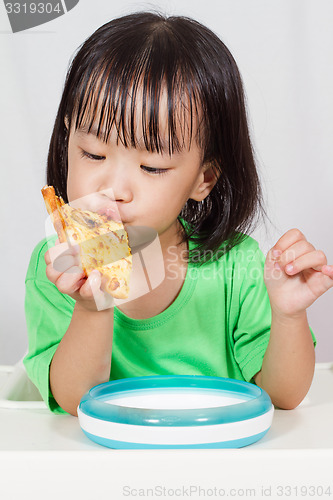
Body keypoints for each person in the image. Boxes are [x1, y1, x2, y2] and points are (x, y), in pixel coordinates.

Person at [24, 12, 333, 417]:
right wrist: (91, 307)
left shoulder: (235, 264)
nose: (113, 188)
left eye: (151, 167)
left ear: (203, 178)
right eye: (93, 154)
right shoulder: (58, 268)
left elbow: (284, 396)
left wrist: (289, 316)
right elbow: (74, 401)